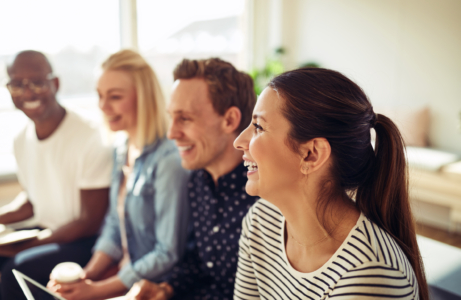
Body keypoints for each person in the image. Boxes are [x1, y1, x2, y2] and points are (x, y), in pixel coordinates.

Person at [232, 68, 429, 299]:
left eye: (258, 127)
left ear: (311, 155)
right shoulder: (261, 221)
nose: (239, 142)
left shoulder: (371, 275)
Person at [0, 50, 112, 300]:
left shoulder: (90, 135)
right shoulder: (21, 140)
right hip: (47, 232)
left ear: (55, 84)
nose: (28, 92)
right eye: (17, 84)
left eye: (37, 82)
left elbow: (89, 222)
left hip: (86, 240)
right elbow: (32, 199)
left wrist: (20, 246)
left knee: (16, 268)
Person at [47, 49, 190, 300]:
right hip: (124, 273)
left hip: (154, 287)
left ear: (143, 98)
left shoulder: (169, 161)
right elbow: (114, 224)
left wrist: (96, 290)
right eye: (100, 95)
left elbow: (167, 253)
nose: (103, 106)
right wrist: (86, 276)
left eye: (114, 96)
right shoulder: (122, 148)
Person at [126, 58, 259, 300]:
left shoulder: (266, 193)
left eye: (185, 118)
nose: (171, 133)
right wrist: (165, 289)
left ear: (229, 120)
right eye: (171, 117)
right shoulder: (199, 179)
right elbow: (199, 263)